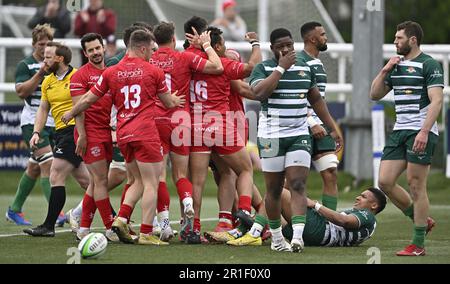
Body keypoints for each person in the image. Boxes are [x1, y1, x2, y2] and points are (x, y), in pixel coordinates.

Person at [61, 30, 184, 246]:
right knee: (151, 183)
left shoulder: (111, 72)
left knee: (135, 180)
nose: (151, 55)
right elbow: (167, 102)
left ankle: (120, 219)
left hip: (124, 134)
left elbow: (88, 99)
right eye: (150, 51)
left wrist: (71, 113)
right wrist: (174, 99)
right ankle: (147, 232)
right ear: (143, 48)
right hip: (146, 133)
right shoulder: (153, 71)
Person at [249, 28, 342, 253]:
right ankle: (277, 237)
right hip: (271, 136)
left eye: (289, 45)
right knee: (274, 189)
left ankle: (298, 237)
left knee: (298, 184)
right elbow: (259, 93)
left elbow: (316, 100)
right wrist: (281, 68)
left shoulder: (304, 67)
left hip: (299, 134)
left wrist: (332, 127)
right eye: (281, 46)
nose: (287, 49)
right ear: (272, 49)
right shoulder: (263, 68)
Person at [370, 21, 443, 256]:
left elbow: (437, 101)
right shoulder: (396, 66)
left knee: (415, 184)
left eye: (399, 38)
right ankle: (421, 219)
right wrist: (384, 70)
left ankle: (418, 244)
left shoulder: (429, 64)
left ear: (413, 40)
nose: (395, 42)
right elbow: (375, 94)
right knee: (385, 182)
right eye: (395, 38)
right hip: (400, 131)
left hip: (420, 131)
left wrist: (424, 131)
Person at [184, 24, 261, 244]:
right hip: (220, 125)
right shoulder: (223, 64)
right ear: (216, 46)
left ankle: (193, 228)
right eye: (223, 45)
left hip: (194, 127)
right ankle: (244, 212)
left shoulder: (188, 61)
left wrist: (198, 44)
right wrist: (255, 43)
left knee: (198, 181)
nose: (226, 49)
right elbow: (252, 67)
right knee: (244, 169)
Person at [150, 21, 223, 241]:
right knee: (181, 174)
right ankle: (188, 202)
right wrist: (206, 46)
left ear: (155, 40)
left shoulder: (149, 60)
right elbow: (217, 66)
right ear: (173, 39)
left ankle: (164, 225)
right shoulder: (184, 57)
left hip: (156, 120)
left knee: (159, 177)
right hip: (182, 120)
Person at [23, 42, 90, 237]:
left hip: (74, 131)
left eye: (48, 57)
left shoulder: (77, 75)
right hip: (59, 133)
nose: (44, 61)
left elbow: (87, 103)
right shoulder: (47, 81)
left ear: (60, 58)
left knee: (55, 174)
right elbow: (43, 109)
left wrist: (82, 133)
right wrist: (36, 132)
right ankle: (115, 219)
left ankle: (48, 226)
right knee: (88, 182)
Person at [6, 24, 63, 226]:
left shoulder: (56, 64)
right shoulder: (26, 65)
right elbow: (22, 92)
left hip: (52, 123)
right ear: (34, 44)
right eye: (41, 44)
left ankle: (14, 209)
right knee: (49, 164)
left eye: (48, 43)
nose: (44, 47)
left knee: (34, 168)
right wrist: (40, 73)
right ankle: (56, 213)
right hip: (32, 123)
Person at [69, 33, 118, 242]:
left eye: (98, 48)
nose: (96, 52)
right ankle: (110, 227)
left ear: (103, 47)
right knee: (100, 180)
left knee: (96, 183)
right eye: (91, 50)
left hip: (107, 131)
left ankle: (83, 228)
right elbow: (78, 109)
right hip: (89, 133)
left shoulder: (112, 72)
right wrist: (82, 135)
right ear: (85, 53)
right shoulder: (80, 76)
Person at [228, 187, 386, 247]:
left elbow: (343, 221)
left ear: (374, 206)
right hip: (317, 236)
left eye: (364, 197)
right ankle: (257, 225)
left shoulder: (368, 216)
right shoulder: (367, 222)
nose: (358, 198)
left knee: (278, 191)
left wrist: (315, 205)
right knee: (274, 202)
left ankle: (254, 232)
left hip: (318, 230)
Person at [298, 22, 340, 211]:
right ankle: (279, 225)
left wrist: (333, 128)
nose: (326, 37)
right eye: (322, 34)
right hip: (300, 125)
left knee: (330, 172)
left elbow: (319, 102)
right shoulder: (299, 62)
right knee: (294, 179)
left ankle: (330, 223)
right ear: (312, 39)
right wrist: (312, 122)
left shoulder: (318, 62)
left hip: (320, 127)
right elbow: (295, 98)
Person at [74, 0, 117, 64]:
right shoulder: (83, 14)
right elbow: (76, 32)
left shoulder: (108, 13)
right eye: (92, 0)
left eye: (96, 0)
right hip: (86, 53)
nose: (94, 2)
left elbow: (111, 30)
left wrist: (103, 22)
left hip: (104, 52)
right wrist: (84, 23)